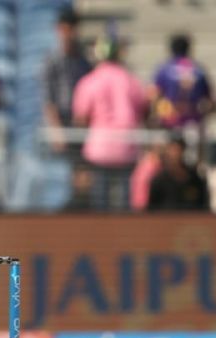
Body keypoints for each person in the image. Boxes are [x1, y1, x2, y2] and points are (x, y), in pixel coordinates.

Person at [72, 31, 149, 210]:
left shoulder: (90, 81)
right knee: (124, 199)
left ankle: (101, 235)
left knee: (100, 199)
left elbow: (80, 116)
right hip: (127, 146)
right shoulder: (131, 80)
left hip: (100, 147)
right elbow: (143, 109)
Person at [41, 6, 93, 210]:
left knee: (82, 175)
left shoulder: (83, 60)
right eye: (66, 27)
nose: (70, 32)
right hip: (60, 126)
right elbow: (48, 99)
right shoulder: (51, 60)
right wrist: (56, 131)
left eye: (73, 27)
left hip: (79, 126)